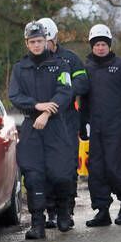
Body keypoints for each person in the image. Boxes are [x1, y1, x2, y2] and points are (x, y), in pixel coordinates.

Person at [9, 21, 75, 239]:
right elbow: (15, 96)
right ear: (26, 43)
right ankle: (37, 222)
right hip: (31, 126)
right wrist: (37, 107)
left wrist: (47, 114)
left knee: (60, 173)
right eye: (32, 42)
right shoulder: (20, 68)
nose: (37, 45)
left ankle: (64, 211)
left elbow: (65, 92)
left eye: (40, 41)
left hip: (55, 125)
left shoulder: (60, 64)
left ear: (46, 41)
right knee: (34, 175)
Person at [83, 23, 121, 226]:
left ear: (109, 45)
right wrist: (82, 124)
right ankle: (102, 211)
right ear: (92, 46)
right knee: (96, 171)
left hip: (118, 128)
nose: (100, 48)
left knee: (115, 170)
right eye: (97, 44)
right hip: (96, 128)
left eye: (103, 44)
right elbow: (84, 100)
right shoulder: (87, 69)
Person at [38, 17, 89, 228]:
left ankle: (66, 209)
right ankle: (51, 211)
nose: (42, 45)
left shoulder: (70, 59)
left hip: (66, 121)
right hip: (43, 122)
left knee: (67, 168)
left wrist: (62, 94)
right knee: (46, 168)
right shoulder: (34, 60)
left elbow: (82, 83)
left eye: (45, 41)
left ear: (54, 39)